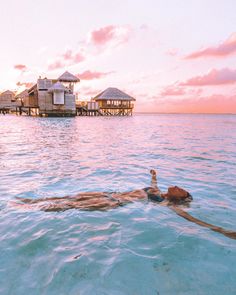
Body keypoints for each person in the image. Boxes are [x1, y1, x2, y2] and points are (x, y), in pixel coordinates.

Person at [11, 169, 236, 240]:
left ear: (180, 197)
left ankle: (30, 208)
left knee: (73, 205)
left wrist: (222, 231)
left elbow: (193, 220)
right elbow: (153, 183)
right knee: (73, 196)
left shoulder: (169, 205)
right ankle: (33, 201)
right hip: (111, 193)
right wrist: (154, 174)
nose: (176, 185)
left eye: (181, 188)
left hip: (116, 202)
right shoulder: (158, 190)